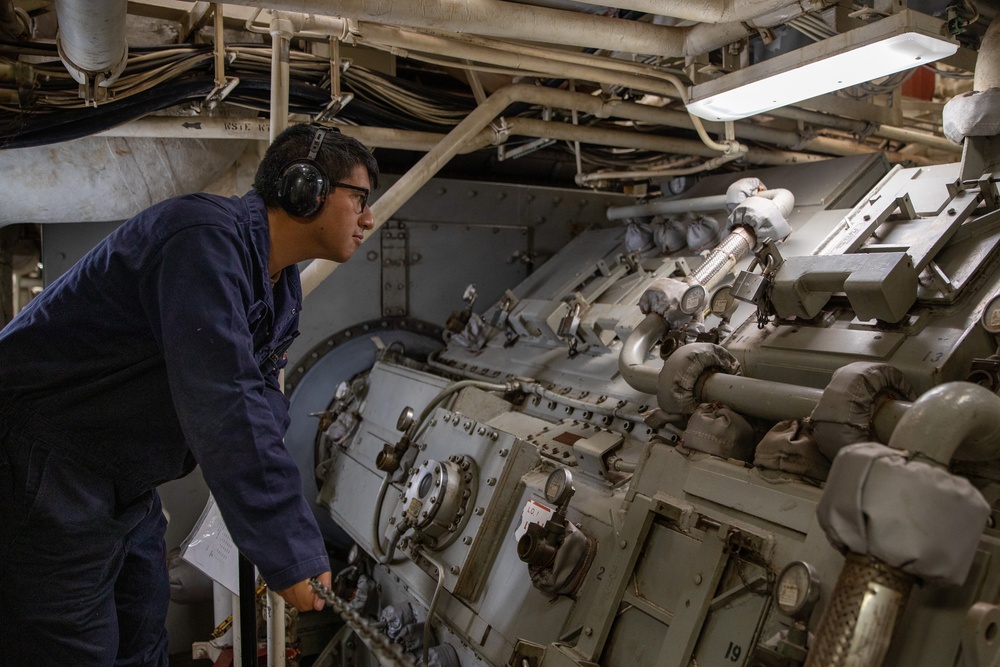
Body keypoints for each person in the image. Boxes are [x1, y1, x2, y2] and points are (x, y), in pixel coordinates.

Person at [0, 123, 378, 666]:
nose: (368, 218)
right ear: (306, 189)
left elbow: (260, 403)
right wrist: (287, 547)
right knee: (70, 649)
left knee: (143, 636)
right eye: (359, 198)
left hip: (120, 479)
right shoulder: (200, 238)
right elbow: (224, 397)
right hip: (44, 467)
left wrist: (279, 527)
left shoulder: (279, 284)